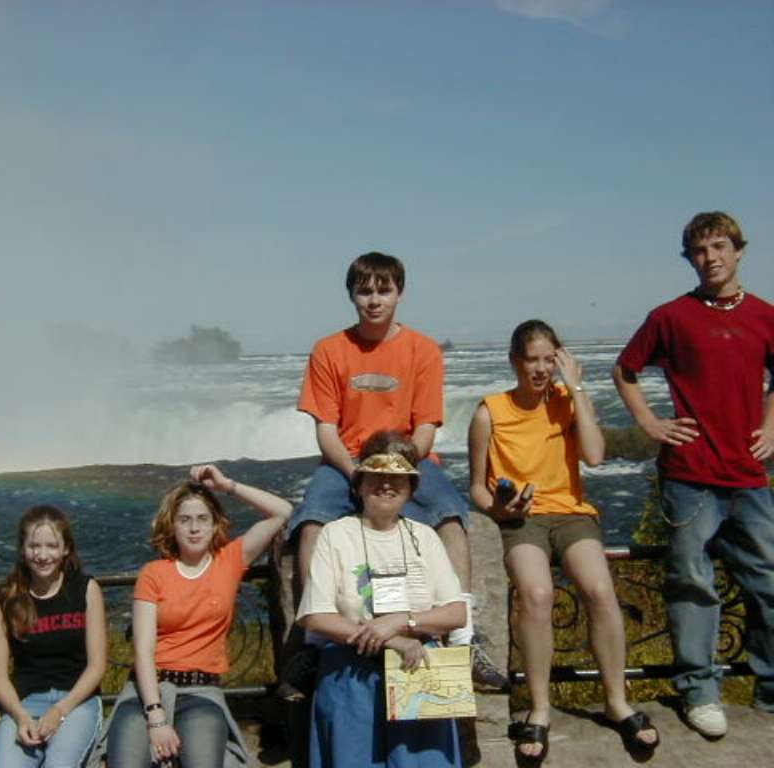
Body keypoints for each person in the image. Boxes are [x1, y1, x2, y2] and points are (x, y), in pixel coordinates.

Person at [285, 251, 506, 696]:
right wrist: (357, 472)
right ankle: (312, 644)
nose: (374, 300)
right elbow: (326, 431)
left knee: (450, 518)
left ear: (399, 294)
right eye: (364, 291)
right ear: (352, 296)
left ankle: (463, 640)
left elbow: (425, 430)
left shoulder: (423, 350)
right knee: (311, 525)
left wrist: (400, 466)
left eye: (383, 290)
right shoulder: (329, 350)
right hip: (346, 460)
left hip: (410, 459)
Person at [613, 211, 774, 739]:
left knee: (769, 580)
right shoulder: (670, 317)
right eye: (700, 251)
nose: (711, 258)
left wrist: (771, 427)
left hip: (748, 475)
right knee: (691, 583)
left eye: (720, 246)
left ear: (739, 250)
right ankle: (700, 692)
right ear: (690, 259)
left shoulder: (765, 316)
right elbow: (625, 370)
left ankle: (769, 689)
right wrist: (649, 423)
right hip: (689, 477)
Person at [469, 320, 660, 764]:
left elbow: (594, 455)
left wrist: (576, 389)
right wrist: (501, 509)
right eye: (531, 360)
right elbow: (477, 487)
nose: (540, 369)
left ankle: (616, 701)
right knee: (536, 594)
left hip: (572, 513)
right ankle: (540, 708)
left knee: (599, 589)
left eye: (548, 360)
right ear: (515, 362)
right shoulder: (489, 412)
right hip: (521, 520)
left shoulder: (566, 400)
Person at [297, 431, 467, 768]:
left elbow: (456, 612)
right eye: (376, 476)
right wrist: (390, 640)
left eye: (397, 478)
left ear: (411, 489)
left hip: (417, 670)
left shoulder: (425, 537)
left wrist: (402, 622)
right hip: (351, 673)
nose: (386, 485)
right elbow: (316, 615)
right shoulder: (335, 534)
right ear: (359, 484)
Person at [104, 464, 292, 768]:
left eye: (203, 519)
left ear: (215, 524)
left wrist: (226, 485)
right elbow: (143, 651)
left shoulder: (229, 560)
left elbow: (283, 512)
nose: (194, 528)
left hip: (201, 691)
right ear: (172, 526)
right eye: (185, 520)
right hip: (147, 691)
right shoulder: (153, 574)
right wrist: (156, 717)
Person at [0, 505, 108, 768]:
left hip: (77, 702)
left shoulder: (85, 590)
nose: (42, 555)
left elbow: (97, 666)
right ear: (23, 549)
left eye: (51, 546)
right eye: (34, 546)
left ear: (65, 549)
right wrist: (20, 717)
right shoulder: (4, 598)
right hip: (25, 703)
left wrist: (59, 711)